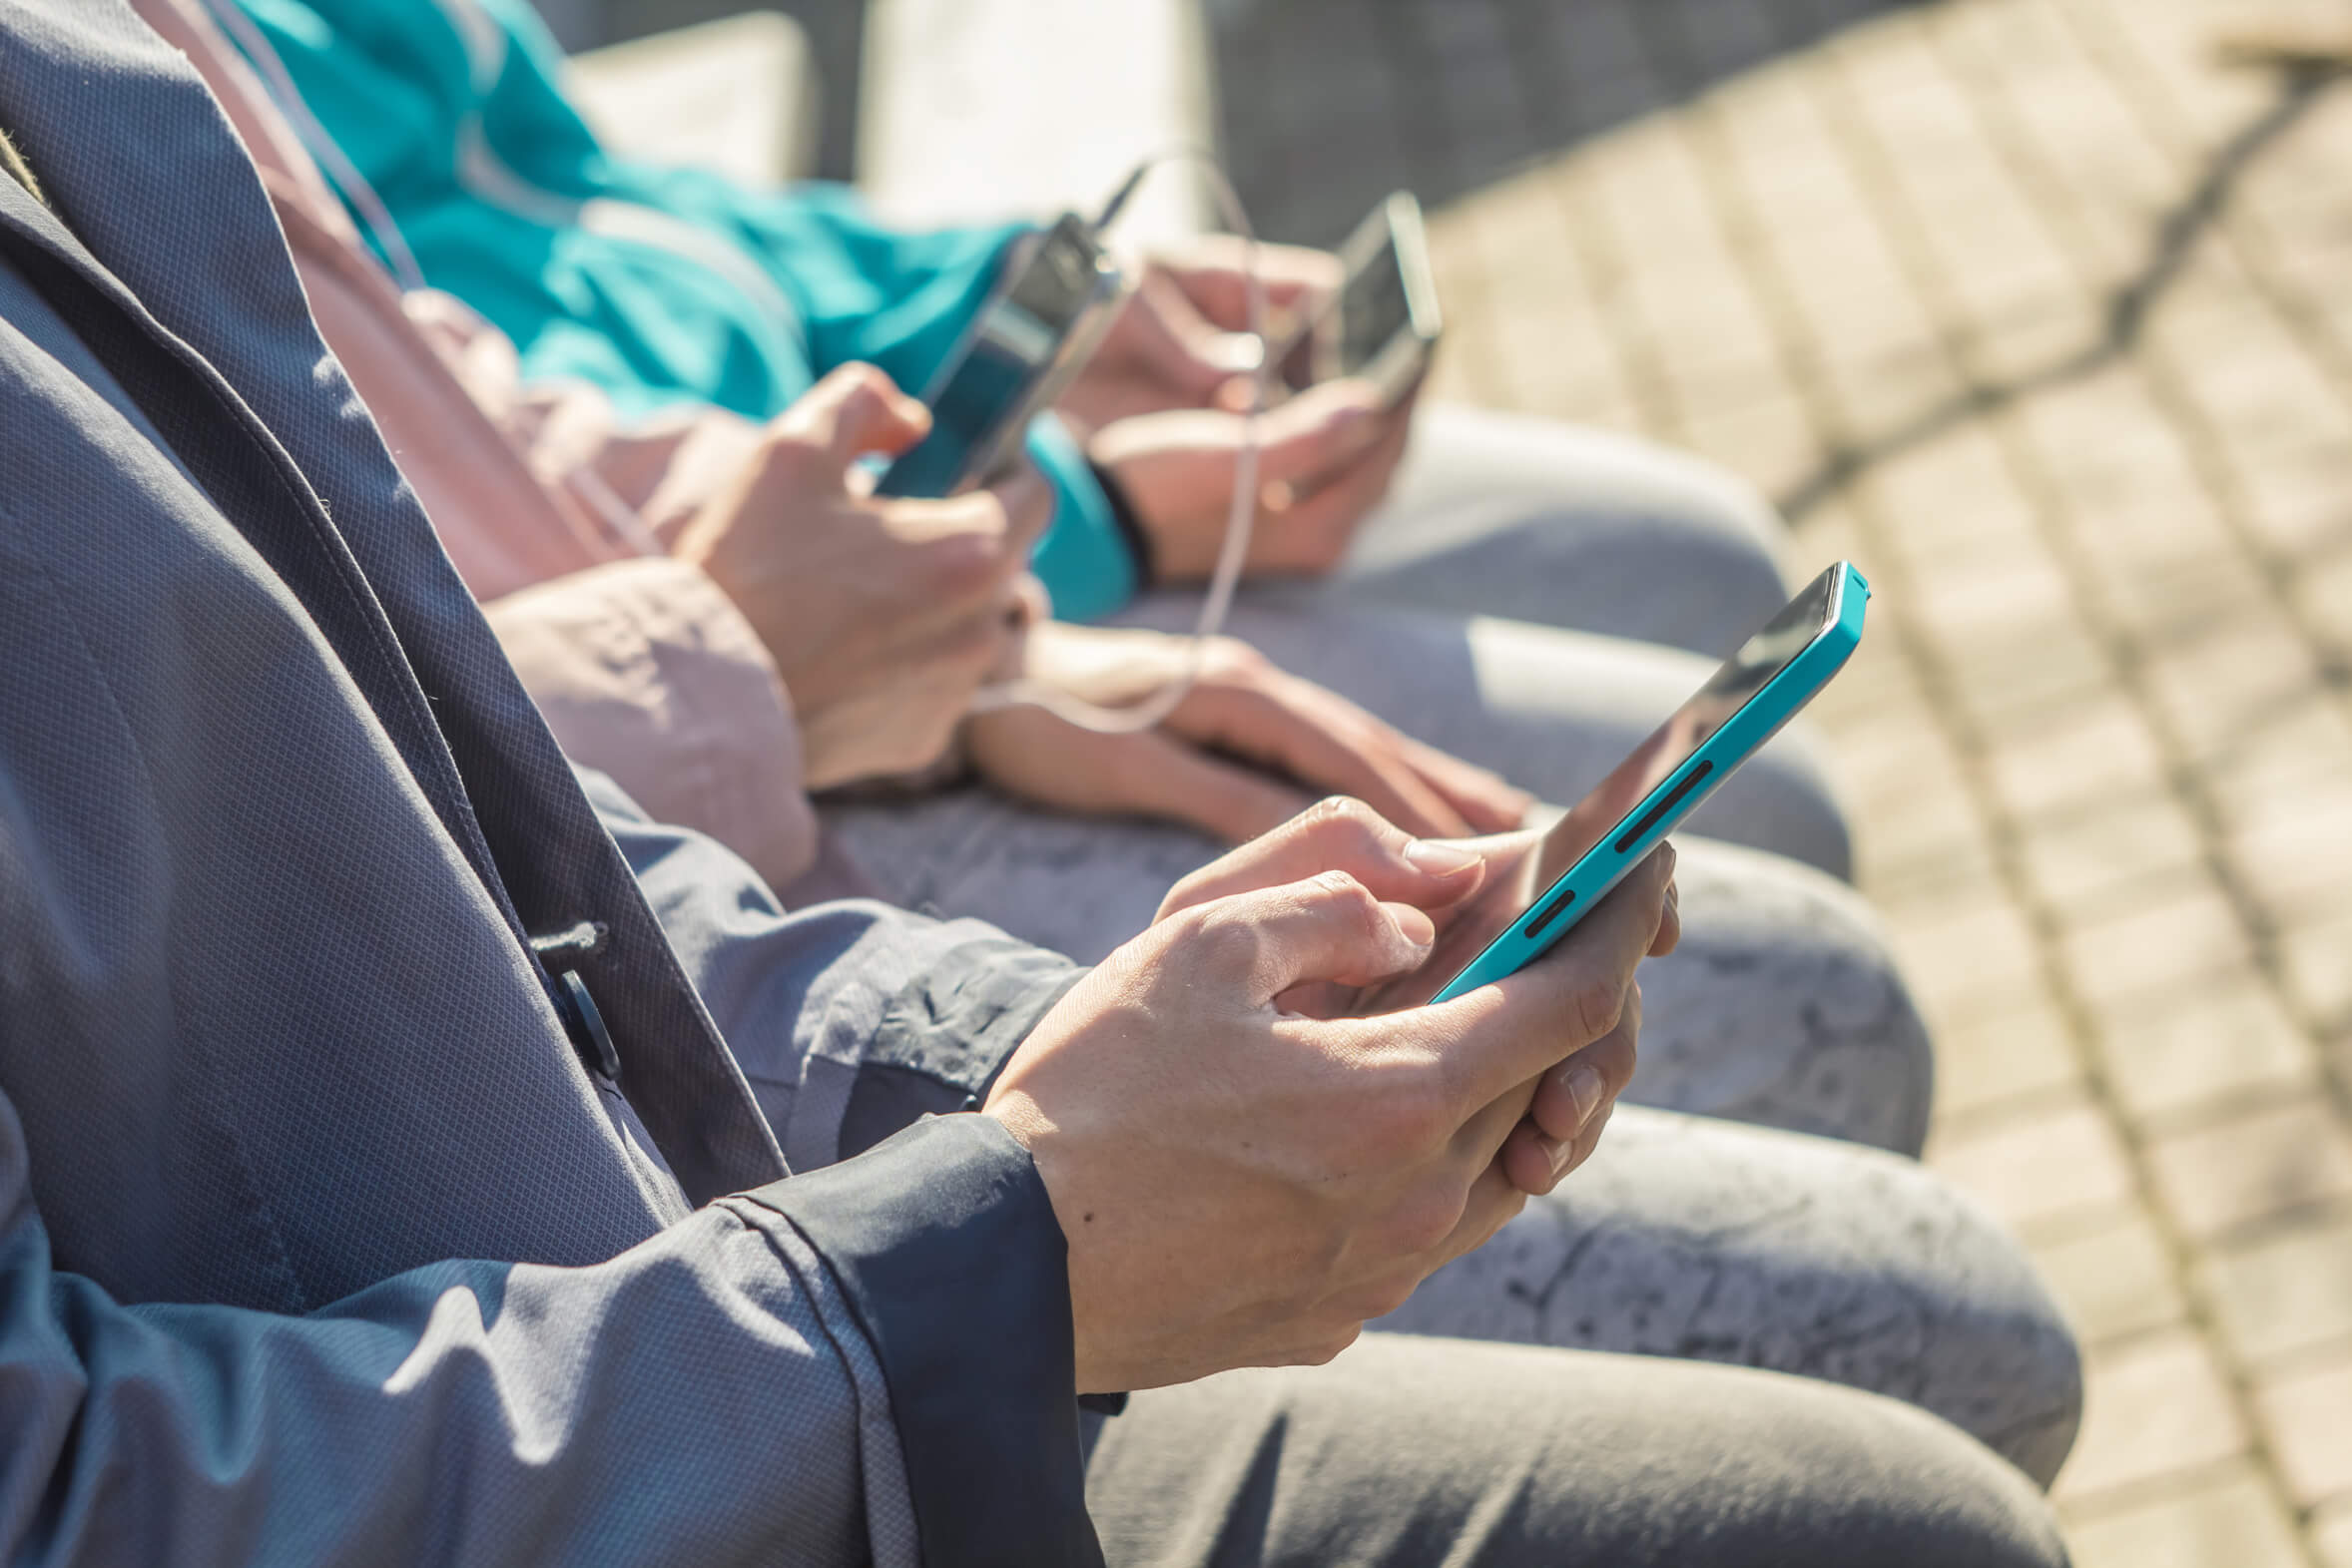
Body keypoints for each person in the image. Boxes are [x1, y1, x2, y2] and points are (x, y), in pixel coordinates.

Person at [0, 7, 2081, 1562]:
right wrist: (995, 1252)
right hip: (713, 1366)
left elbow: (439, 728)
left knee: (1887, 1297)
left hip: (743, 1259)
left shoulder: (73, 57)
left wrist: (1005, 1065)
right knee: (1909, 1354)